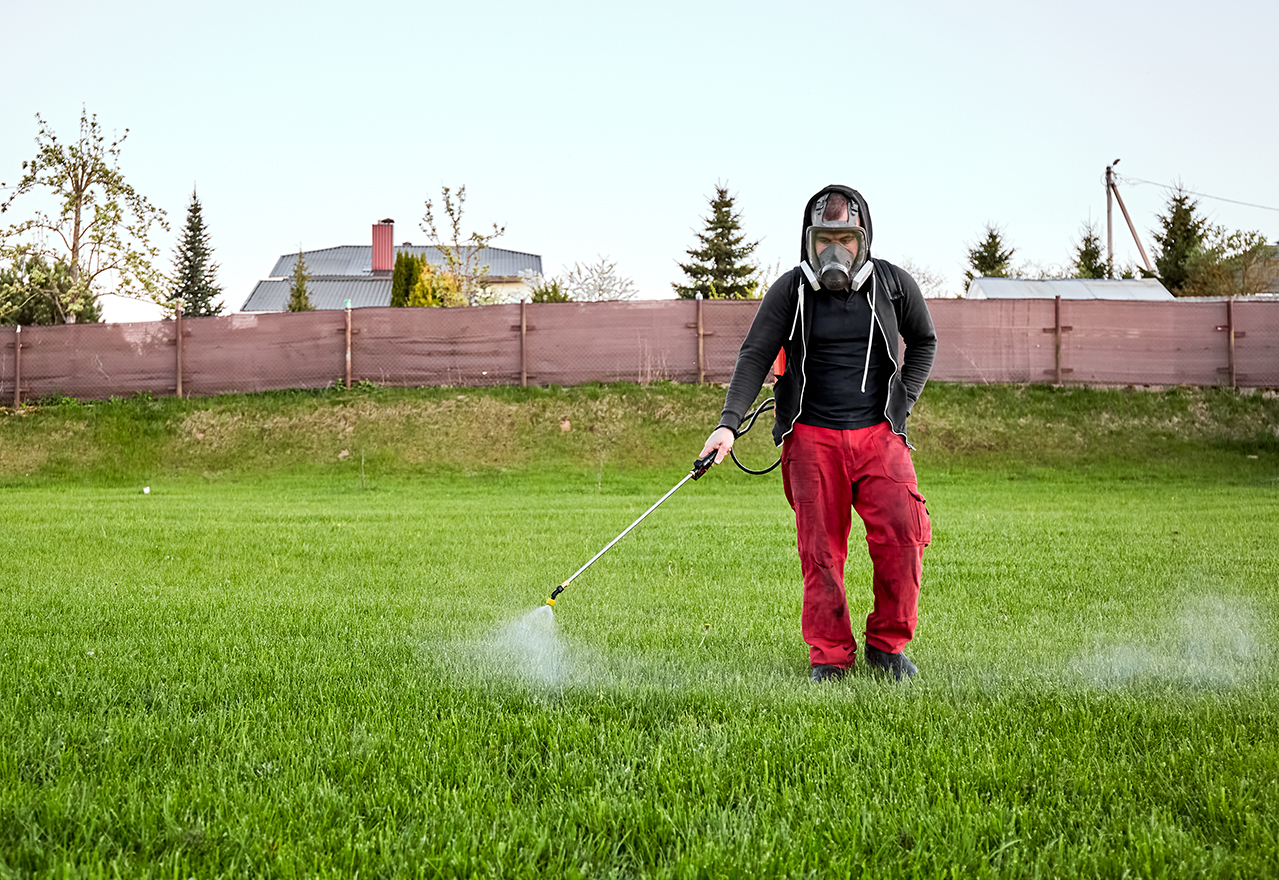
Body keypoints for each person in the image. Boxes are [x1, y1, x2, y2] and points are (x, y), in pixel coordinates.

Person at [699, 185, 937, 682]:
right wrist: (726, 425)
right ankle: (829, 656)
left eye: (845, 239)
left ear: (863, 239)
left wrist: (904, 400)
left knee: (904, 535)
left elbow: (924, 341)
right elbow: (754, 356)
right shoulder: (790, 290)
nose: (835, 250)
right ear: (808, 241)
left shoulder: (894, 284)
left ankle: (888, 648)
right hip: (811, 439)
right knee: (822, 552)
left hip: (880, 436)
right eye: (824, 238)